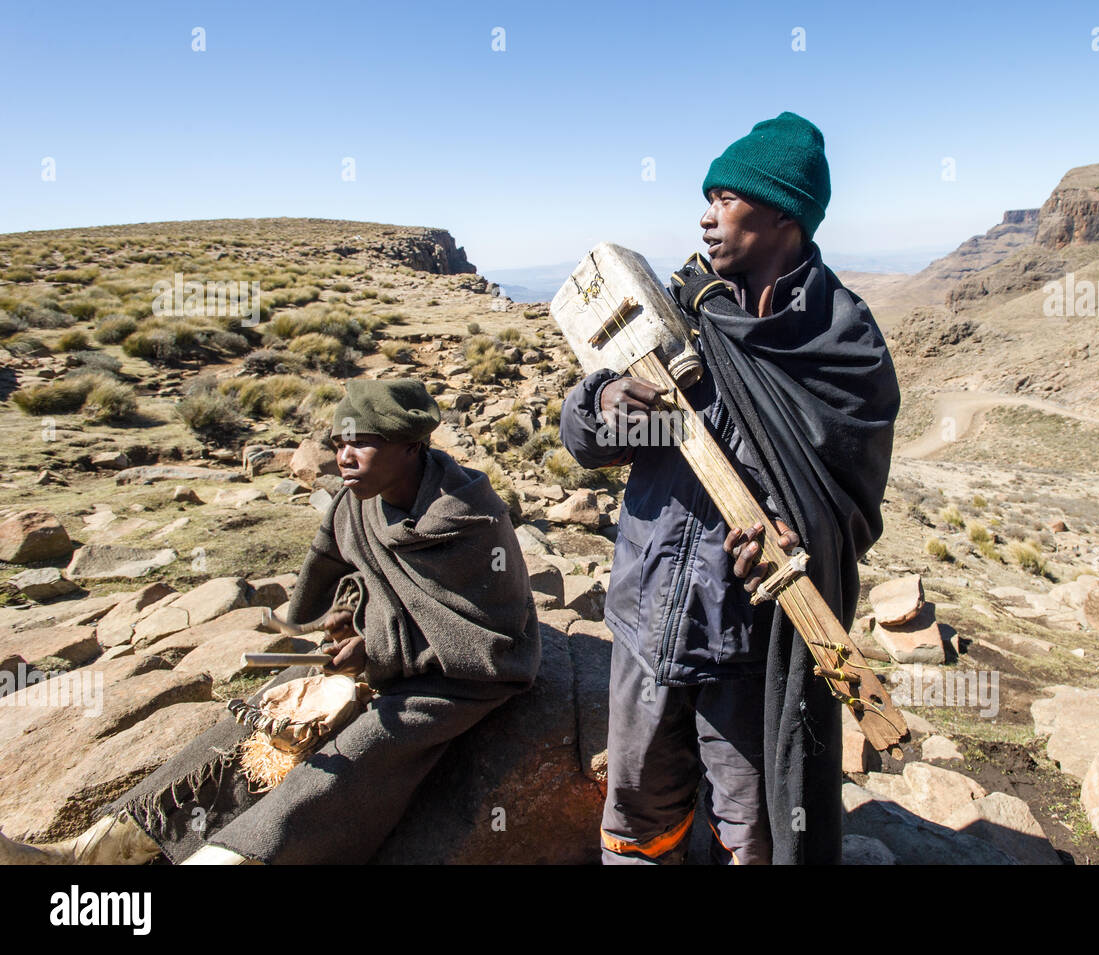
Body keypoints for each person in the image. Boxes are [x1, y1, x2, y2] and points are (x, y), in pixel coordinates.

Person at [0, 378, 541, 865]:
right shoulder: (356, 504)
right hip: (387, 652)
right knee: (263, 716)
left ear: (411, 446)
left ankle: (237, 856)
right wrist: (331, 619)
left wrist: (377, 650)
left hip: (460, 677)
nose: (344, 458)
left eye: (360, 444)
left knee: (362, 752)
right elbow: (330, 567)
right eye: (337, 445)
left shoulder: (468, 517)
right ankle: (101, 848)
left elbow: (489, 635)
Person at [560, 111, 900, 864]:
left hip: (750, 644)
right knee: (639, 818)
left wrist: (790, 532)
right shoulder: (677, 310)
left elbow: (848, 502)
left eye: (725, 198)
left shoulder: (841, 346)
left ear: (781, 211)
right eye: (706, 198)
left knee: (751, 833)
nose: (705, 216)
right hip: (647, 622)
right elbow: (584, 442)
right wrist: (603, 401)